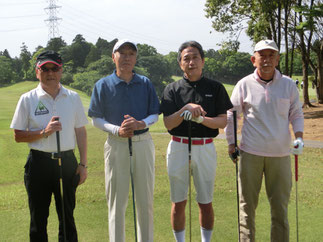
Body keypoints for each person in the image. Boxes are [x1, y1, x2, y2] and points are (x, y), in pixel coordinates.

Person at [225, 39, 304, 241]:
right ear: (254, 59)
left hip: (281, 155)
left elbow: (296, 114)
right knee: (246, 208)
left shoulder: (288, 85)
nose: (267, 60)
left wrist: (299, 137)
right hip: (250, 153)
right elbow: (232, 116)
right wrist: (231, 144)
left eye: (271, 56)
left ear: (277, 59)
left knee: (280, 209)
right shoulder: (244, 85)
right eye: (262, 55)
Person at [10, 50, 88, 241]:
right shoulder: (27, 99)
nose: (50, 73)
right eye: (45, 69)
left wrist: (83, 165)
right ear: (37, 72)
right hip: (38, 164)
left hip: (68, 163)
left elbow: (80, 131)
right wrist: (43, 133)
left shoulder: (73, 97)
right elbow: (18, 136)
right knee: (38, 220)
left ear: (61, 71)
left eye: (55, 68)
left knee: (67, 218)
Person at [160, 41, 233, 242]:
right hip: (178, 146)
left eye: (195, 57)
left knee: (205, 201)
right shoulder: (172, 89)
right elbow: (168, 123)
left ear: (202, 61)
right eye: (186, 58)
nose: (191, 62)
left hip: (205, 148)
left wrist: (201, 119)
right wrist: (185, 110)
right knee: (178, 201)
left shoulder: (215, 88)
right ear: (180, 63)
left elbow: (222, 121)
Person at [88, 39, 160, 242]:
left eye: (131, 53)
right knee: (116, 203)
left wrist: (140, 124)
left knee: (145, 201)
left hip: (142, 142)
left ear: (135, 58)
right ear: (113, 57)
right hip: (116, 144)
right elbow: (96, 119)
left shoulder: (145, 83)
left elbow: (154, 114)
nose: (127, 57)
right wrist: (117, 130)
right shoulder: (102, 85)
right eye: (122, 53)